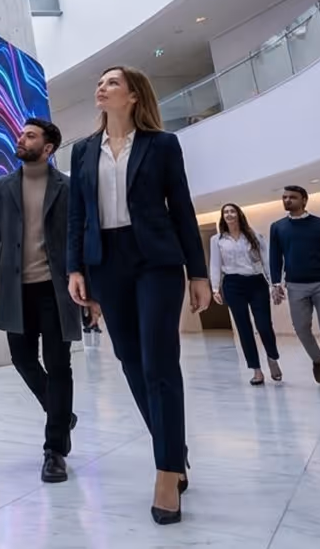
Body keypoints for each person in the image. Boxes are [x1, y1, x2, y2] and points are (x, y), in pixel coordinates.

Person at [66, 65, 210, 526]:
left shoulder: (162, 145)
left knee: (159, 362)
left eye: (112, 82)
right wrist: (75, 267)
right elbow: (76, 216)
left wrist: (198, 272)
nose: (101, 87)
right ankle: (174, 446)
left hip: (156, 261)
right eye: (101, 82)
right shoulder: (83, 151)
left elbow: (182, 207)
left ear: (132, 96)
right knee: (129, 360)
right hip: (106, 261)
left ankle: (167, 471)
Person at [0, 117, 91, 484]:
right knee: (21, 358)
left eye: (30, 135)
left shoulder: (68, 189)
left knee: (59, 367)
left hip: (56, 292)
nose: (21, 139)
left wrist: (90, 288)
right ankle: (60, 412)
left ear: (49, 147)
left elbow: (79, 238)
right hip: (15, 290)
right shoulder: (1, 187)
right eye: (21, 134)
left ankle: (54, 449)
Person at [269, 186, 320, 392]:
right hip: (295, 285)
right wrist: (276, 283)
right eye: (284, 197)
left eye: (292, 197)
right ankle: (318, 359)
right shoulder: (277, 227)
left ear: (304, 200)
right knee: (301, 328)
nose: (287, 200)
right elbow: (274, 257)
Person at [210, 204, 282, 385]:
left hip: (256, 282)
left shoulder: (254, 236)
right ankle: (256, 370)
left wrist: (275, 283)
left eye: (232, 211)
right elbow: (215, 264)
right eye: (225, 212)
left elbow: (266, 260)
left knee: (264, 325)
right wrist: (215, 288)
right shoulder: (217, 240)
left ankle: (272, 358)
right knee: (243, 328)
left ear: (239, 214)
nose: (229, 214)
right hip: (233, 284)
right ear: (222, 217)